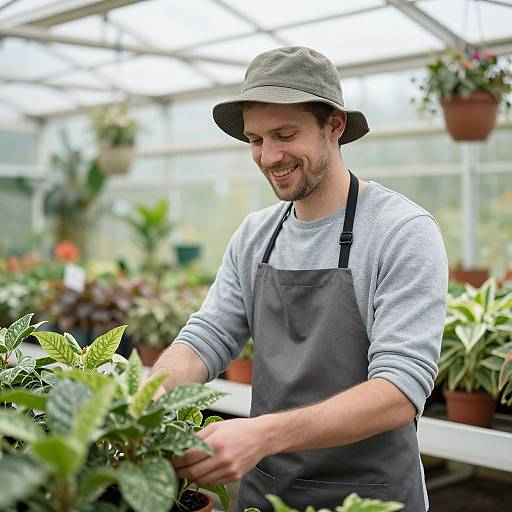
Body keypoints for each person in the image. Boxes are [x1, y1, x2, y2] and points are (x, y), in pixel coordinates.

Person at [150, 46, 448, 511]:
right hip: (269, 493)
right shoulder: (256, 235)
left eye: (285, 134)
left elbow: (400, 390)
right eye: (255, 139)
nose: (269, 156)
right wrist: (147, 398)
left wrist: (261, 435)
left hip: (371, 497)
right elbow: (207, 336)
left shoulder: (402, 232)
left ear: (334, 125)